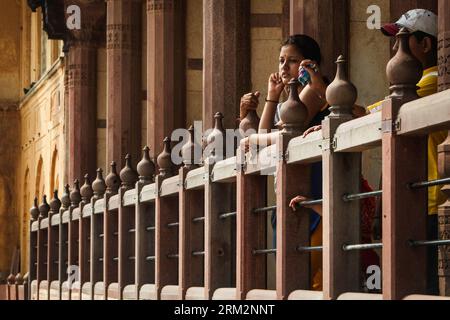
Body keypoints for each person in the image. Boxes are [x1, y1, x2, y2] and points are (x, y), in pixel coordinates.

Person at [240, 34, 329, 291]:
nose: (284, 67)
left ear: (309, 64)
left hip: (315, 188)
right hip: (292, 191)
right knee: (293, 277)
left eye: (292, 61)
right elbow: (267, 135)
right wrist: (271, 96)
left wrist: (254, 138)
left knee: (313, 277)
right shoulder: (292, 96)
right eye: (281, 60)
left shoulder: (315, 90)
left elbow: (285, 134)